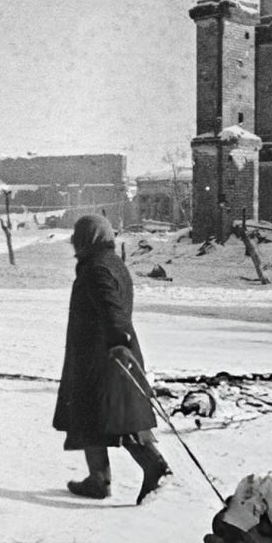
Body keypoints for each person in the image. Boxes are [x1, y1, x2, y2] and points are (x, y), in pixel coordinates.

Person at [52, 214, 170, 504]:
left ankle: (153, 466)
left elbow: (111, 307)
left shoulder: (96, 268)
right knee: (96, 416)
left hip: (103, 356)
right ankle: (98, 479)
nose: (72, 243)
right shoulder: (110, 262)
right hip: (105, 352)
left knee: (113, 416)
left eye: (77, 237)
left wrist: (118, 342)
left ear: (86, 239)